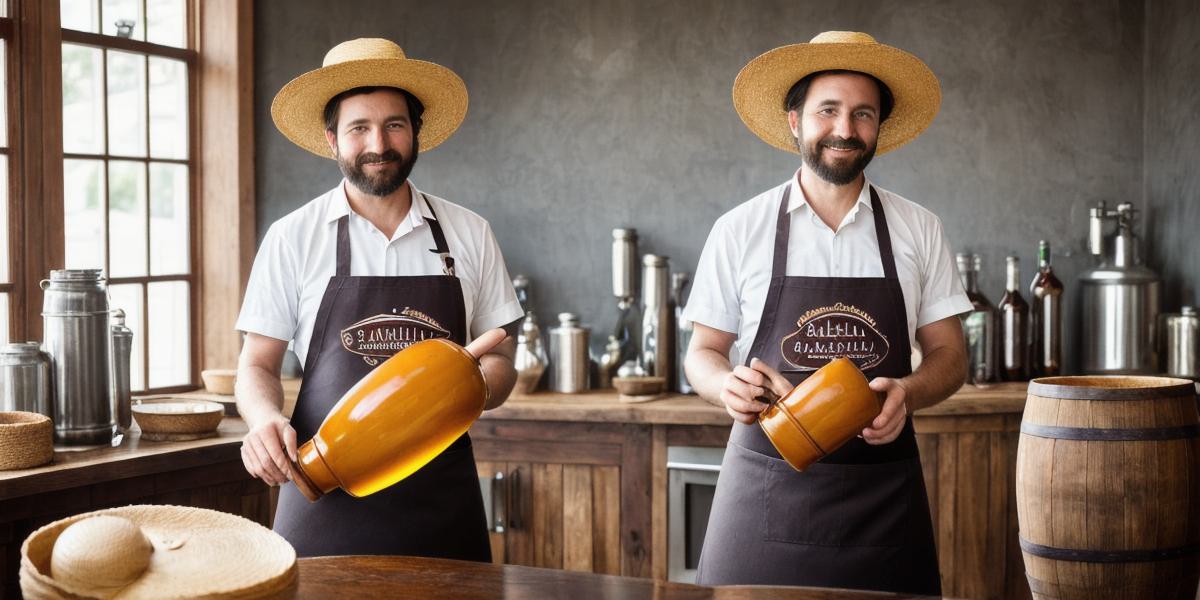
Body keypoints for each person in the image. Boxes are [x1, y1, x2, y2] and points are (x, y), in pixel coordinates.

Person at [683, 31, 971, 594]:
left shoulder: (919, 228)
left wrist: (908, 393)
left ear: (880, 127)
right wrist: (726, 388)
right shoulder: (741, 229)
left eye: (863, 114)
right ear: (795, 120)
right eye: (828, 111)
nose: (845, 129)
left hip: (883, 498)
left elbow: (951, 355)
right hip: (766, 488)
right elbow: (703, 353)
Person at [234, 38, 523, 560]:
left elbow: (502, 360)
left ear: (416, 134)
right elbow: (257, 363)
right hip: (322, 494)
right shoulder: (292, 237)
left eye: (394, 124)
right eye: (358, 128)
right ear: (331, 140)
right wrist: (262, 421)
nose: (378, 143)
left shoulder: (469, 233)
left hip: (441, 506)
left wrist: (466, 380)